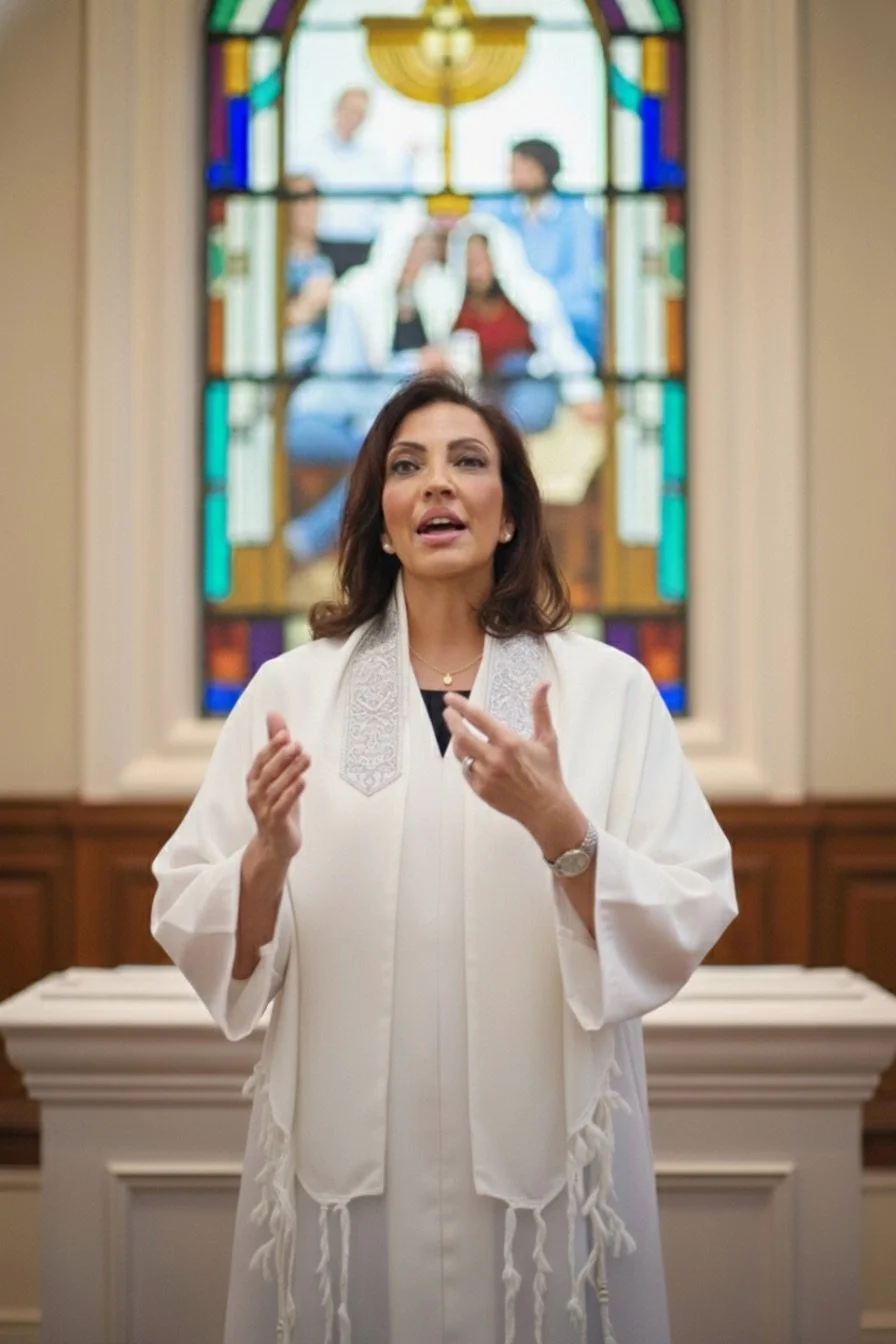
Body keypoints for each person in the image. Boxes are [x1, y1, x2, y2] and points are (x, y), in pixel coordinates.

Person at [151, 372, 737, 1344]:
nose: (436, 485)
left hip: (545, 1186)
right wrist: (264, 856)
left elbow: (683, 906)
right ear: (380, 523)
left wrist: (560, 827)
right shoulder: (288, 694)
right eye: (406, 466)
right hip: (349, 1179)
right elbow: (207, 925)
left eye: (467, 462)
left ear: (507, 514)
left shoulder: (605, 692)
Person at [282, 205, 455, 564]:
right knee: (381, 460)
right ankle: (304, 543)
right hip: (320, 417)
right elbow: (345, 378)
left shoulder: (434, 297)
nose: (417, 259)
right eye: (412, 248)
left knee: (396, 458)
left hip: (382, 425)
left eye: (424, 250)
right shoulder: (356, 295)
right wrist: (414, 365)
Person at [445, 215, 604, 434]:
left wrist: (583, 393)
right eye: (471, 261)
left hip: (528, 384)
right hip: (479, 391)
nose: (477, 270)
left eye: (483, 260)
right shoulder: (449, 306)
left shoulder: (531, 296)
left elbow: (560, 346)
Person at [477, 138, 603, 362]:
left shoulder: (576, 215)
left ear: (543, 170)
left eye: (521, 168)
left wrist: (544, 309)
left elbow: (580, 279)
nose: (513, 177)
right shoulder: (504, 213)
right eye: (512, 169)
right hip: (518, 326)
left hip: (571, 323)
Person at [289, 86, 416, 276]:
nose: (354, 117)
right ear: (337, 109)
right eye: (350, 110)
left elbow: (395, 194)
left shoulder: (372, 158)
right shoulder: (308, 153)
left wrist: (410, 162)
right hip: (319, 246)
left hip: (361, 248)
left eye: (360, 113)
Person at [282, 174, 335, 376]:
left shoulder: (327, 261)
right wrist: (306, 305)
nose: (311, 209)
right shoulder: (273, 266)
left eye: (315, 199)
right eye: (302, 200)